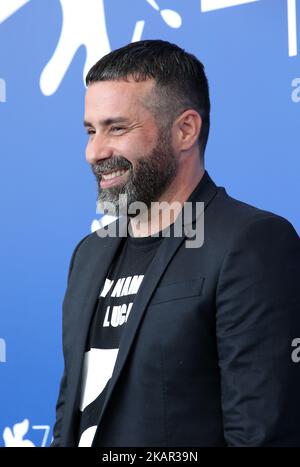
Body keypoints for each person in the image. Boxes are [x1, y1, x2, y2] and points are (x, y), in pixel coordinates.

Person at [51, 40, 300, 447]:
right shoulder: (88, 254)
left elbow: (262, 434)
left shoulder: (252, 243)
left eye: (117, 128)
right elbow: (70, 415)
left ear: (185, 129)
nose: (95, 151)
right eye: (90, 131)